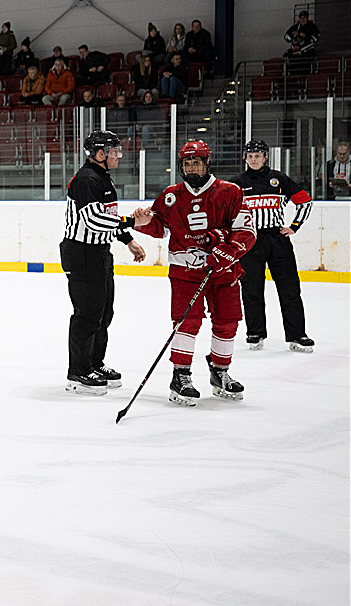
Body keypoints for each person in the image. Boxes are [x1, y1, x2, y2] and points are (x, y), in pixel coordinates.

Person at [132, 141, 257, 405]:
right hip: (185, 272)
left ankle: (220, 372)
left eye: (196, 162)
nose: (191, 168)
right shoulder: (171, 195)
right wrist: (142, 222)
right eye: (187, 163)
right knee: (186, 323)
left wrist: (227, 252)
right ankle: (181, 375)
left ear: (207, 163)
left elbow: (246, 231)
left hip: (223, 271)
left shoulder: (230, 191)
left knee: (227, 322)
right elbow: (160, 228)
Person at [61, 130, 149, 394]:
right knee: (87, 314)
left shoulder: (101, 178)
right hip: (82, 254)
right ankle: (78, 372)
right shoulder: (87, 180)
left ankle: (94, 364)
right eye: (113, 151)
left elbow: (107, 216)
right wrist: (133, 222)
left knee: (103, 313)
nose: (118, 155)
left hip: (99, 253)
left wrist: (127, 239)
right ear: (100, 154)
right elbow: (93, 220)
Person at [230, 140, 315, 352]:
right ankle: (255, 333)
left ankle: (297, 335)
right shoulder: (236, 183)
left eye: (258, 155)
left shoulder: (279, 179)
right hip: (250, 241)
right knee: (251, 289)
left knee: (290, 288)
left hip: (277, 239)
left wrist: (294, 226)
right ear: (245, 158)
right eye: (250, 156)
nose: (254, 159)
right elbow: (224, 211)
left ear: (265, 157)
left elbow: (305, 201)